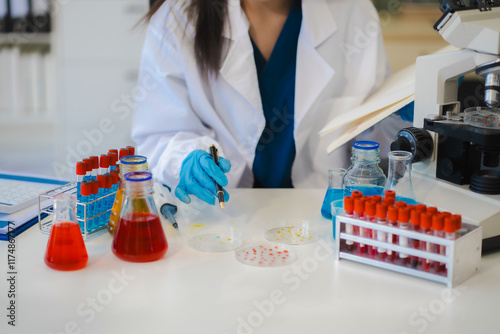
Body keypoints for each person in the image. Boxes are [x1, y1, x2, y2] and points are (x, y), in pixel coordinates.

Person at [131, 0, 411, 206]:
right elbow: (159, 134)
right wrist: (184, 161)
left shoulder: (354, 12)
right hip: (221, 217)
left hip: (321, 214)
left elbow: (371, 129)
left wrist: (404, 125)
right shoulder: (177, 19)